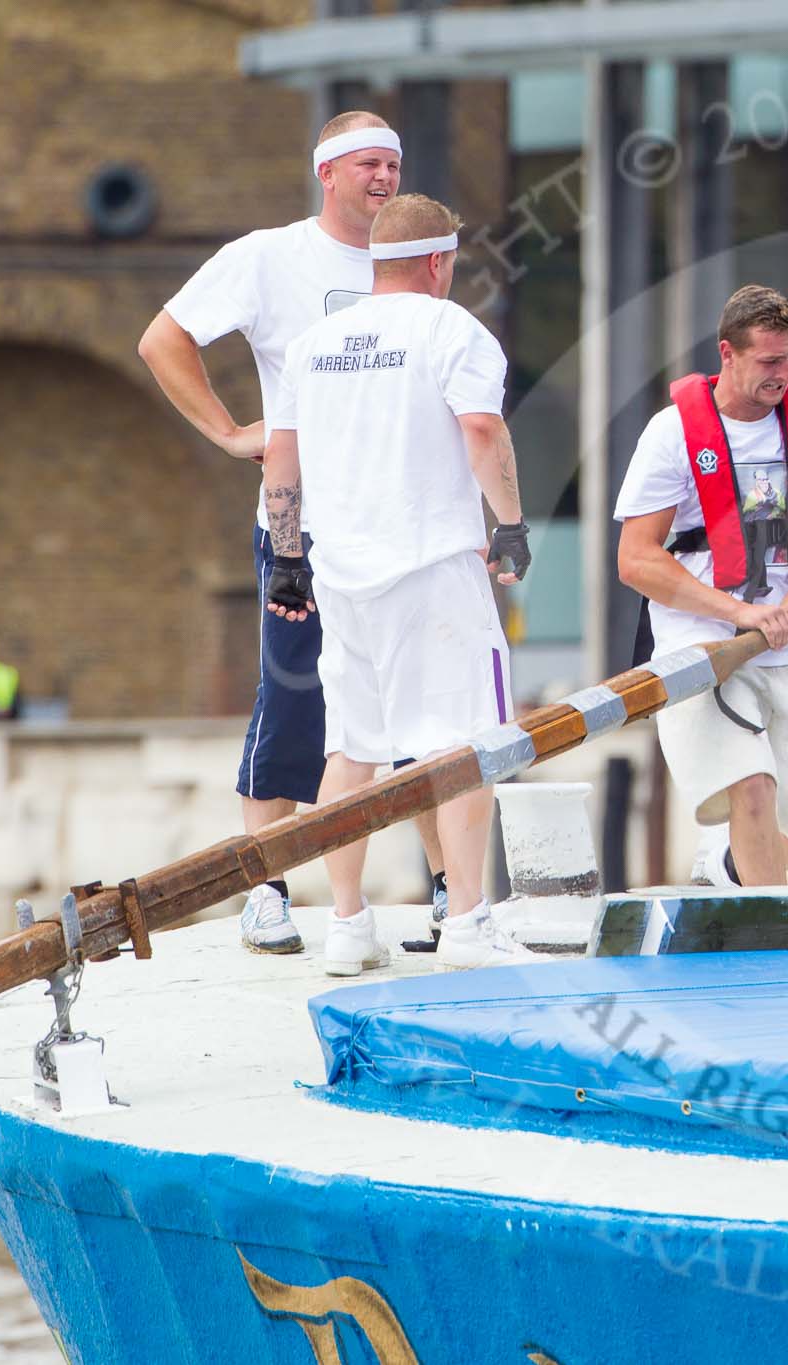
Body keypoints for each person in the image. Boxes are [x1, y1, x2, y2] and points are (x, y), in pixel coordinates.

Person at [138, 111, 450, 954]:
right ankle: (265, 887)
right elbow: (163, 339)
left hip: (403, 530)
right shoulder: (270, 256)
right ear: (328, 172)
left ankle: (449, 890)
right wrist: (233, 431)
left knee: (421, 711)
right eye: (368, 165)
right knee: (292, 705)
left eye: (394, 163)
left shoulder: (416, 263)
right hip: (303, 531)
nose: (384, 177)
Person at [261, 192, 537, 975]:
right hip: (434, 565)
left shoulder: (312, 345)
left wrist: (286, 556)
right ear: (440, 261)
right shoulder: (453, 330)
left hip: (340, 569)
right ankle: (470, 923)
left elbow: (282, 458)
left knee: (351, 747)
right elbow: (482, 429)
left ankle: (348, 923)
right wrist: (510, 524)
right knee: (465, 744)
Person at [614, 285, 788, 887]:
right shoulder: (671, 432)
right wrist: (739, 612)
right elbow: (636, 561)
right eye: (769, 362)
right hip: (700, 646)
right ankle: (772, 945)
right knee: (751, 787)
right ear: (728, 353)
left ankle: (729, 864)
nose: (783, 375)